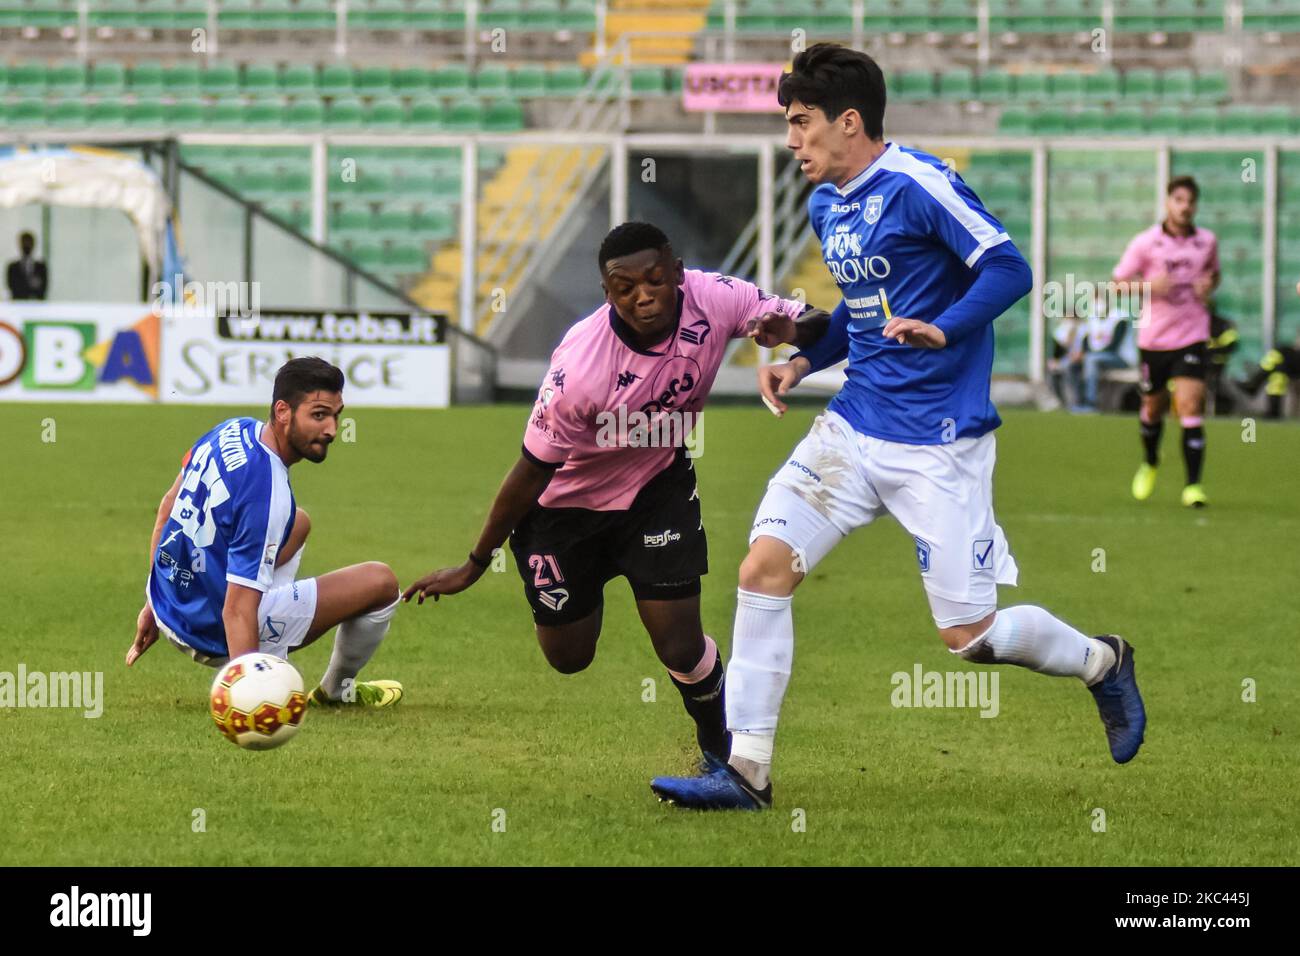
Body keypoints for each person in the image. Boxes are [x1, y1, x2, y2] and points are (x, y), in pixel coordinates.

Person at [649, 43, 1146, 811]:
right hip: (853, 428)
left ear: (849, 122)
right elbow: (862, 313)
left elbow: (1008, 267)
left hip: (939, 442)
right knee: (761, 572)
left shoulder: (921, 183)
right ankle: (745, 773)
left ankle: (1101, 662)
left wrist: (946, 329)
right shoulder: (825, 204)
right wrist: (805, 362)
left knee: (969, 638)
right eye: (787, 123)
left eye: (801, 122)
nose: (791, 140)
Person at [402, 221, 825, 765]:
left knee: (679, 642)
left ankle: (724, 756)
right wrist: (475, 562)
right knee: (568, 657)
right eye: (625, 287)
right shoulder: (580, 368)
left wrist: (792, 334)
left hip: (656, 489)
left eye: (654, 280)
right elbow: (530, 473)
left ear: (676, 273)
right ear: (608, 293)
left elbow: (813, 321)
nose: (643, 296)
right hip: (564, 511)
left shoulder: (715, 297)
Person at [126, 357, 404, 709]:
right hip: (212, 631)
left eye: (336, 415)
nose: (332, 429)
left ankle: (271, 642)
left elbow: (168, 508)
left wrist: (154, 601)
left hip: (171, 602)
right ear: (283, 411)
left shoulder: (231, 429)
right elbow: (237, 611)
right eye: (319, 415)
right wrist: (250, 695)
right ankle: (336, 690)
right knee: (381, 582)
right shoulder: (267, 492)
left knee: (298, 522)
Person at [1112, 176, 1220, 507]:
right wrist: (1147, 287)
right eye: (1179, 200)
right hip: (1155, 339)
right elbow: (1117, 284)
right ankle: (1150, 461)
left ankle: (1193, 487)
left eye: (1190, 201)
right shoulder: (1146, 243)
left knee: (1189, 405)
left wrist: (1208, 286)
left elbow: (1214, 274)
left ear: (1195, 206)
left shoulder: (1207, 241)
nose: (1185, 207)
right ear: (1168, 203)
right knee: (1152, 408)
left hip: (1192, 335)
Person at [6, 231, 48, 300]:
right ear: (20, 244)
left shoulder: (41, 267)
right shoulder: (12, 267)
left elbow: (43, 288)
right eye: (24, 242)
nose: (26, 245)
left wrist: (23, 284)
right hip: (18, 305)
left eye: (29, 242)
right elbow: (12, 287)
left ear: (33, 244)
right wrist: (32, 284)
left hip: (37, 306)